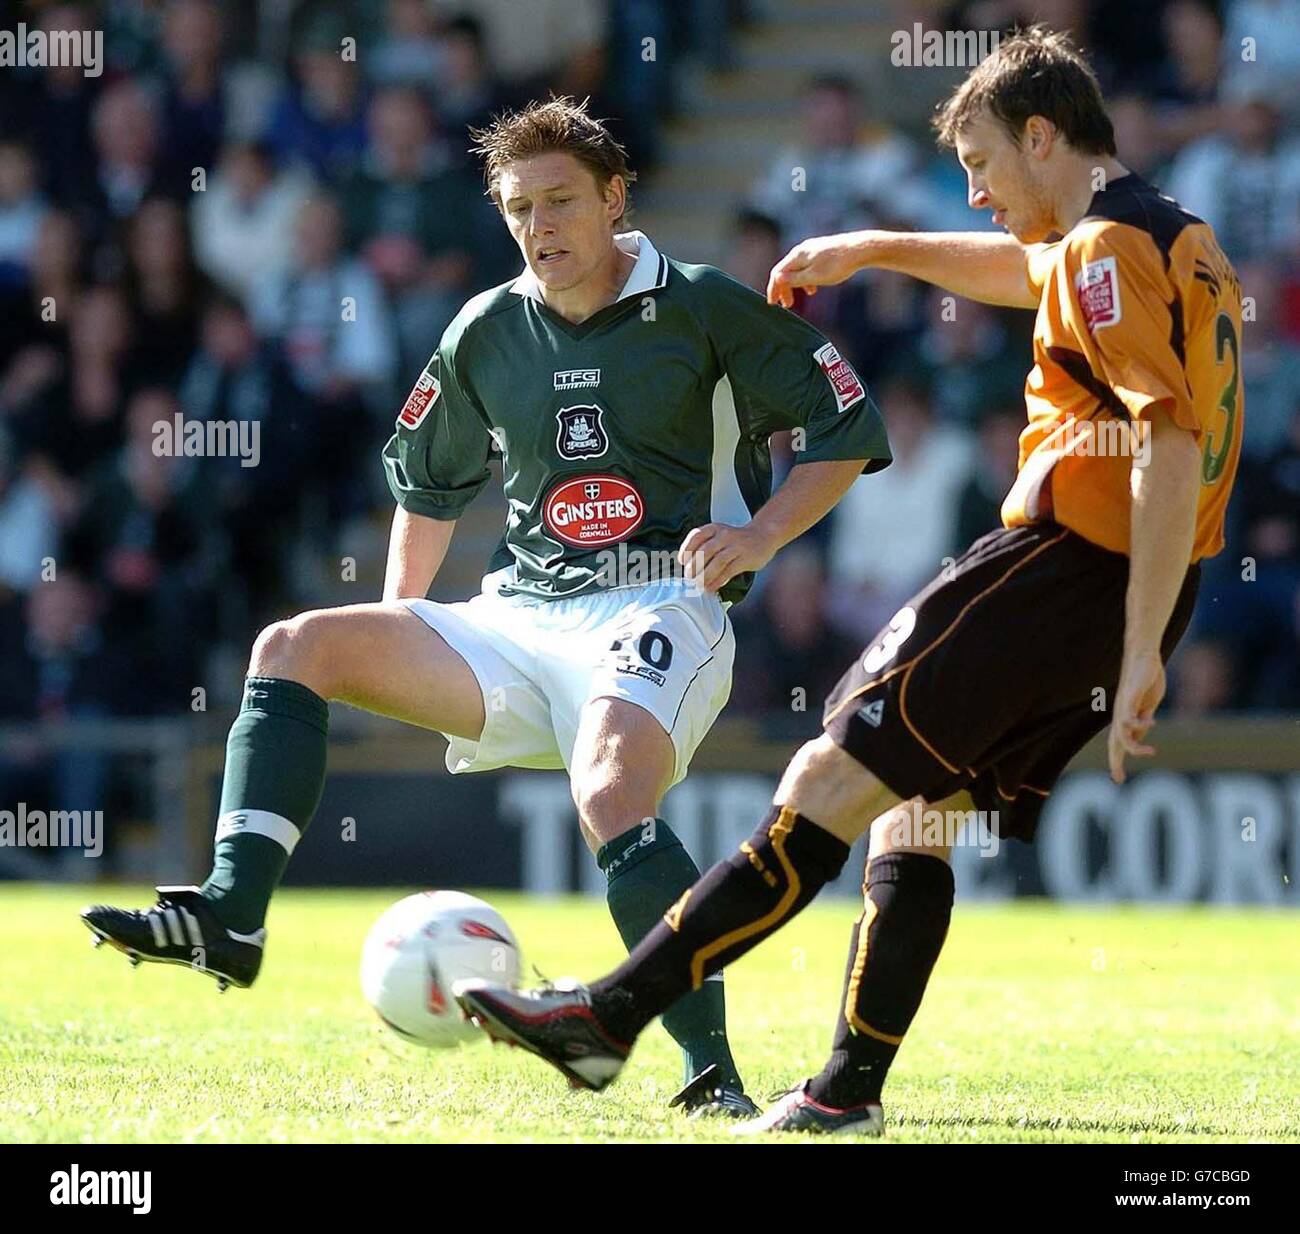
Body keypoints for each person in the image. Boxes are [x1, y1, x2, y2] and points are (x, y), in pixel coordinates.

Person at [453, 27, 1246, 1137]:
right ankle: (842, 1091)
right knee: (911, 817)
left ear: (1039, 134)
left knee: (831, 771)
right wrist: (873, 247)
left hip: (1065, 570)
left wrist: (1140, 644)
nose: (972, 193)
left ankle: (609, 1015)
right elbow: (1038, 275)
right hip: (1126, 582)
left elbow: (1158, 443)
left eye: (979, 164)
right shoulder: (1168, 235)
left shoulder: (1101, 252)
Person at [81, 97, 892, 1118]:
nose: (540, 225)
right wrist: (396, 625)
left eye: (560, 201)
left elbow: (845, 424)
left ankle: (709, 1072)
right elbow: (427, 485)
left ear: (612, 196)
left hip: (664, 602)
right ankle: (233, 917)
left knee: (607, 793)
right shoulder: (486, 327)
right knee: (291, 644)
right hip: (516, 615)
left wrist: (765, 532)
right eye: (519, 208)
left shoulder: (701, 305)